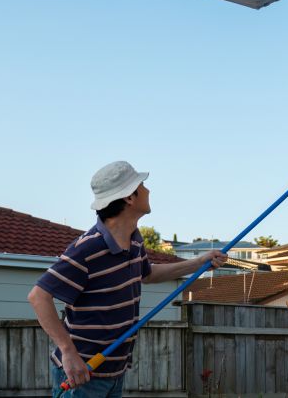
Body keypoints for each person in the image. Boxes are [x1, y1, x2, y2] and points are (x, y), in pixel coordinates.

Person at [28, 161, 226, 398]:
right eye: (142, 185)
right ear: (130, 198)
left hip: (114, 371)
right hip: (82, 375)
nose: (148, 190)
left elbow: (148, 274)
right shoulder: (89, 248)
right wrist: (68, 352)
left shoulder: (134, 240)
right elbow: (39, 296)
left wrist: (198, 262)